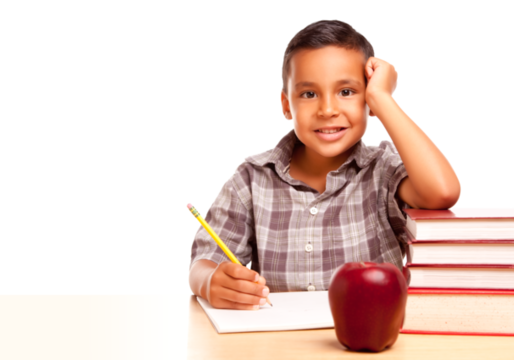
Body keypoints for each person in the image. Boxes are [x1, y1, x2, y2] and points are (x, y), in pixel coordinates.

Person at [187, 19, 462, 310]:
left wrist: (383, 98)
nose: (328, 110)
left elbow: (442, 192)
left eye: (346, 92)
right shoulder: (252, 178)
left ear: (368, 98)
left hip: (373, 345)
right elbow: (203, 263)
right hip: (281, 345)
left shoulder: (383, 168)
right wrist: (210, 281)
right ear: (286, 104)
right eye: (309, 94)